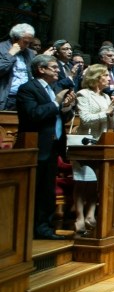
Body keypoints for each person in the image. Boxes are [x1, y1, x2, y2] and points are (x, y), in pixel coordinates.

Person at [17, 54, 76, 239]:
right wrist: (56, 102)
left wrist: (65, 109)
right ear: (41, 69)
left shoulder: (54, 89)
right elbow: (33, 114)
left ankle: (44, 227)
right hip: (36, 146)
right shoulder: (28, 89)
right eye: (53, 67)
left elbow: (58, 117)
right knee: (34, 190)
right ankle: (28, 229)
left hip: (53, 145)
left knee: (47, 190)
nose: (58, 70)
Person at [74, 63, 114, 234]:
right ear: (96, 77)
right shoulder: (83, 94)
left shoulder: (107, 97)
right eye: (106, 75)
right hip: (84, 143)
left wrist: (113, 112)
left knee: (95, 183)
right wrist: (106, 112)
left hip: (101, 143)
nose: (109, 78)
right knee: (82, 181)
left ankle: (90, 215)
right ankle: (79, 217)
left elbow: (112, 124)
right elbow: (84, 119)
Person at [0, 23, 37, 110]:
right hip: (6, 97)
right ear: (14, 38)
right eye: (25, 42)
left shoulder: (29, 53)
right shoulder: (1, 48)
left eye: (29, 43)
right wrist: (10, 55)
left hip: (25, 98)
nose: (27, 46)